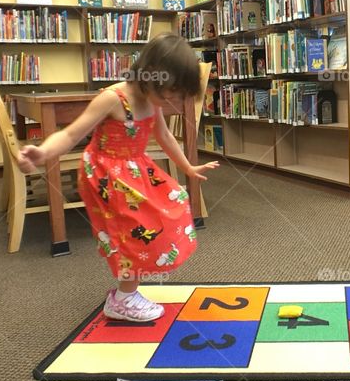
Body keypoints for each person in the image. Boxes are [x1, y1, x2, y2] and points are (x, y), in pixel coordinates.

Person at [17, 34, 219, 321]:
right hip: (105, 173)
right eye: (169, 94)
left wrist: (188, 168)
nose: (171, 101)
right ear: (149, 76)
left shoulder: (153, 99)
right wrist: (42, 153)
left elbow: (164, 137)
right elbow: (71, 133)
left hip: (135, 168)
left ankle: (127, 291)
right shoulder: (113, 98)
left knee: (170, 208)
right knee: (132, 232)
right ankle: (123, 298)